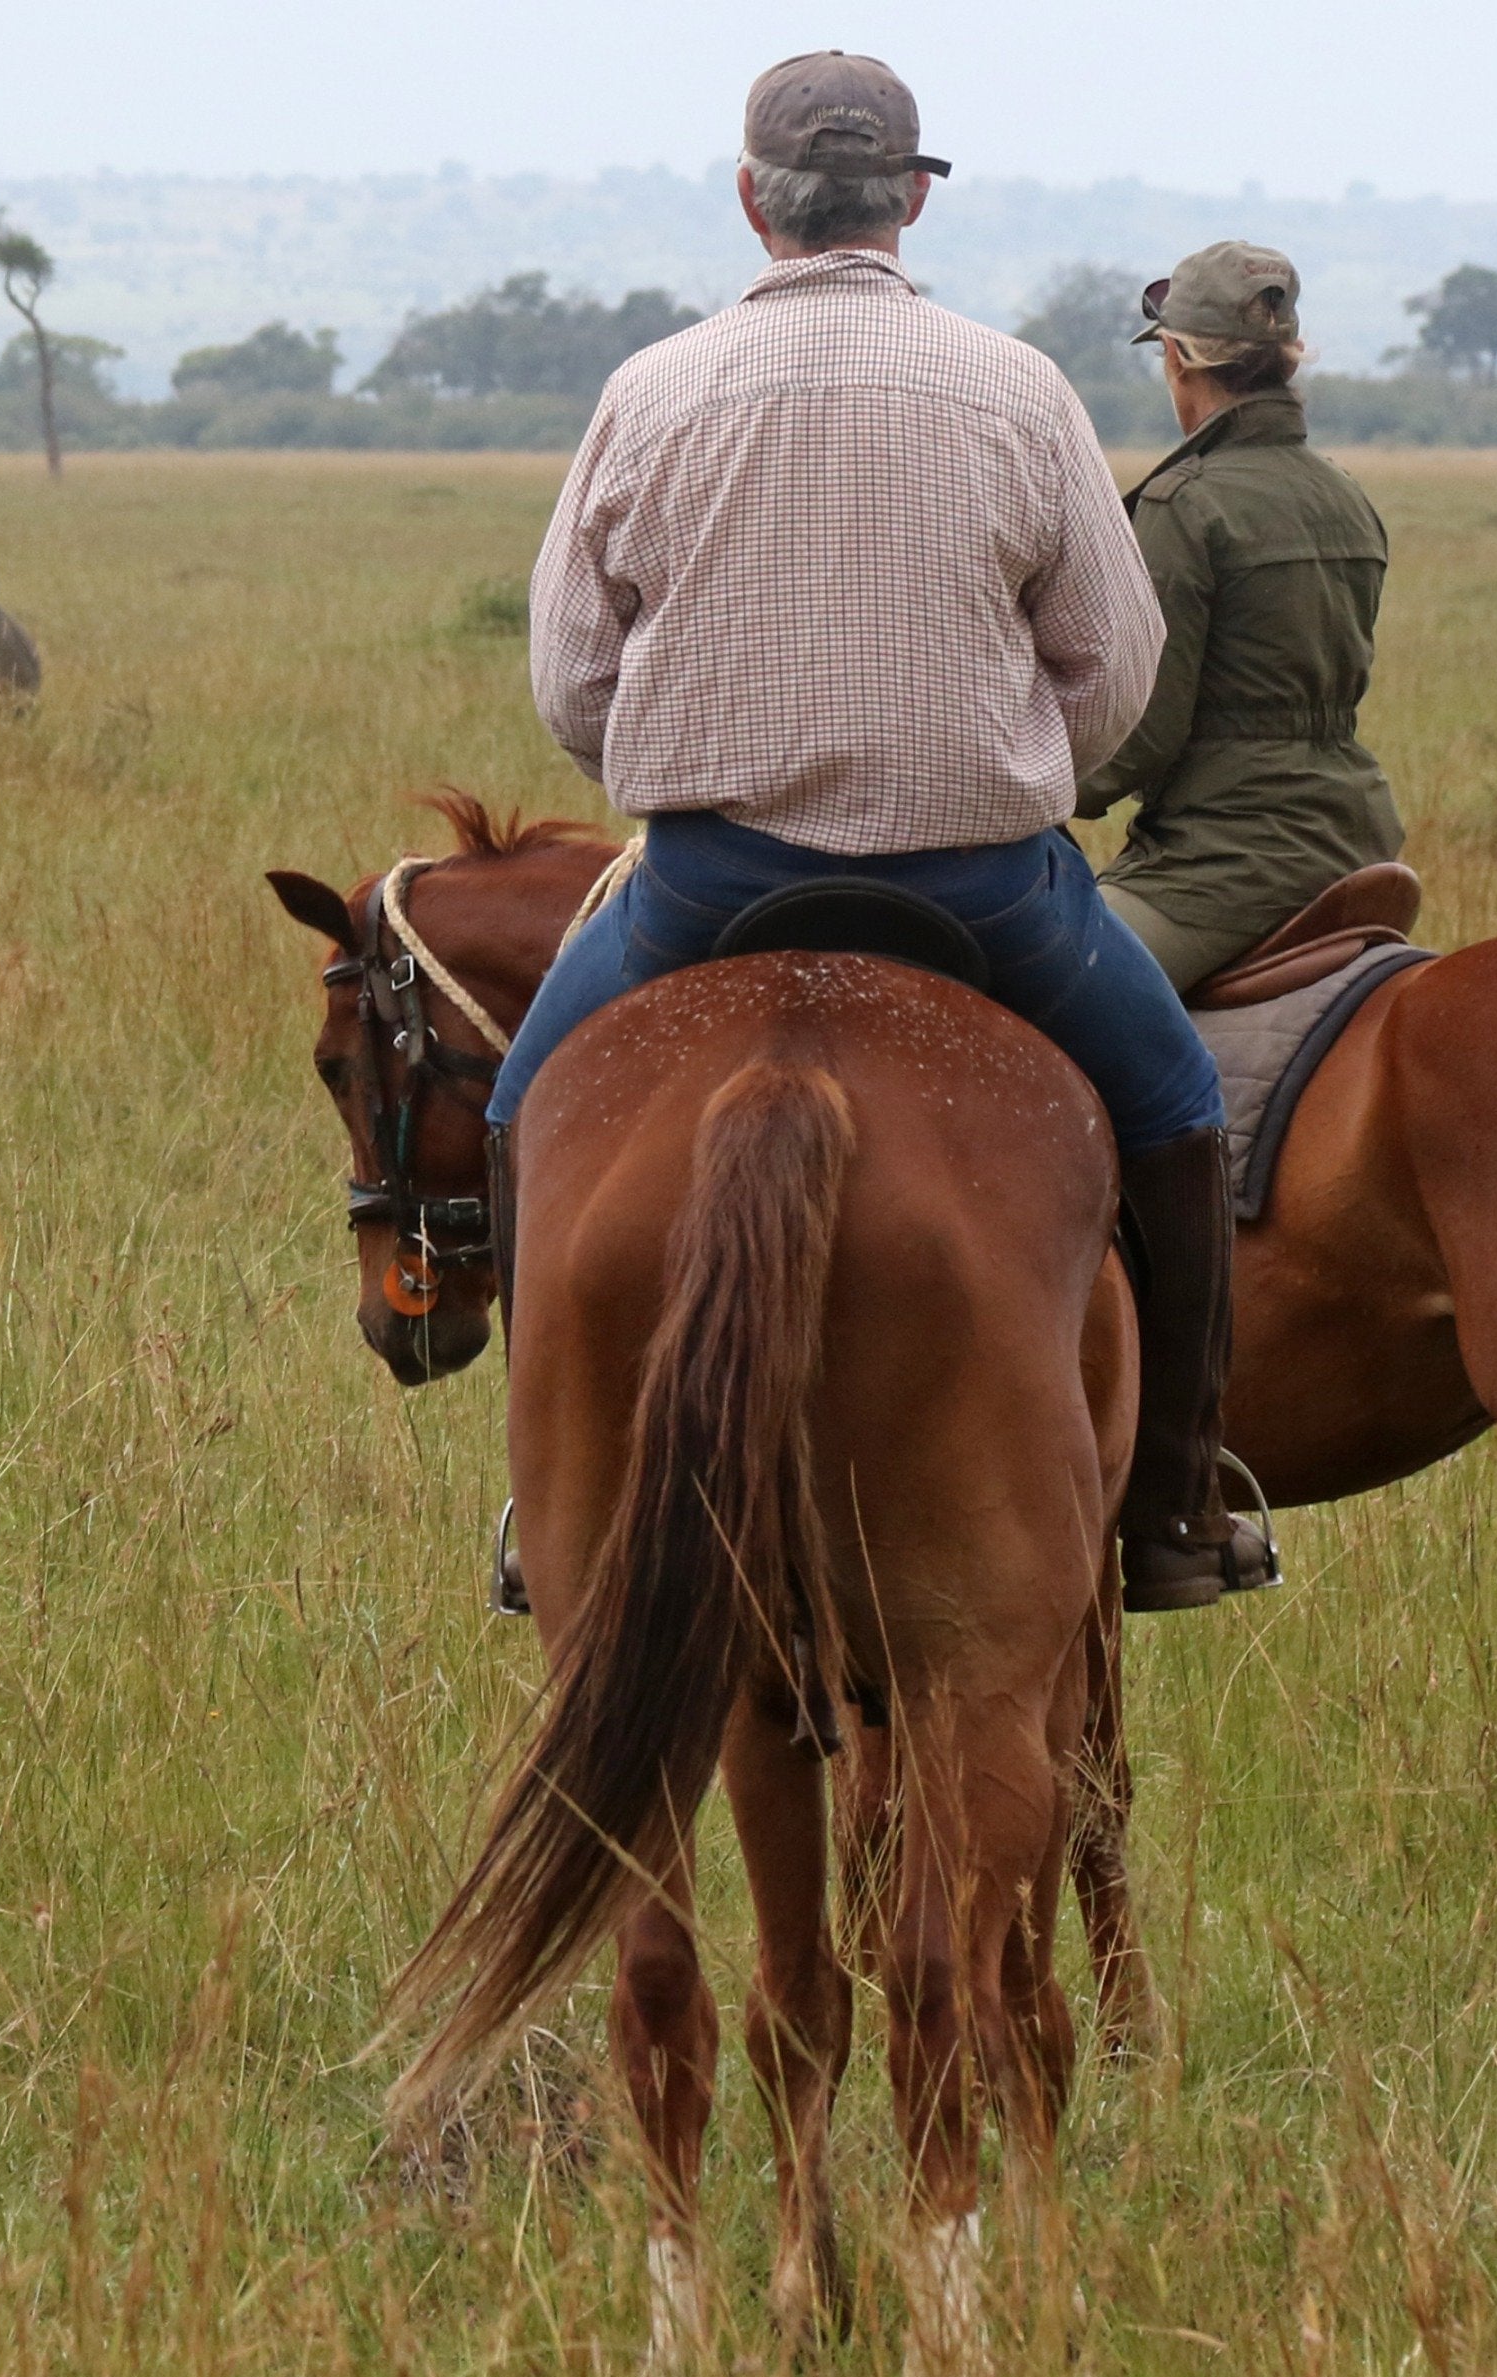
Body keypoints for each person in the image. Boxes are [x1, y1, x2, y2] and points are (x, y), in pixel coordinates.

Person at [480, 52, 1271, 1611]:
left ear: (751, 201)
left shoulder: (650, 390)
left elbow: (573, 680)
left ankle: (545, 1505)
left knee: (521, 1113)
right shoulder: (1020, 385)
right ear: (911, 199)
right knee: (1177, 1109)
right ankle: (1176, 1507)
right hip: (988, 894)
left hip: (705, 887)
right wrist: (1019, 762)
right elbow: (1113, 668)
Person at [1075, 242, 1403, 991]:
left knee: (1049, 991)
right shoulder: (1343, 493)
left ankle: (1187, 1117)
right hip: (1357, 836)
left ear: (1177, 360)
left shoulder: (1182, 504)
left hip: (1225, 863)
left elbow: (1140, 733)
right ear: (1285, 358)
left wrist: (1034, 793)